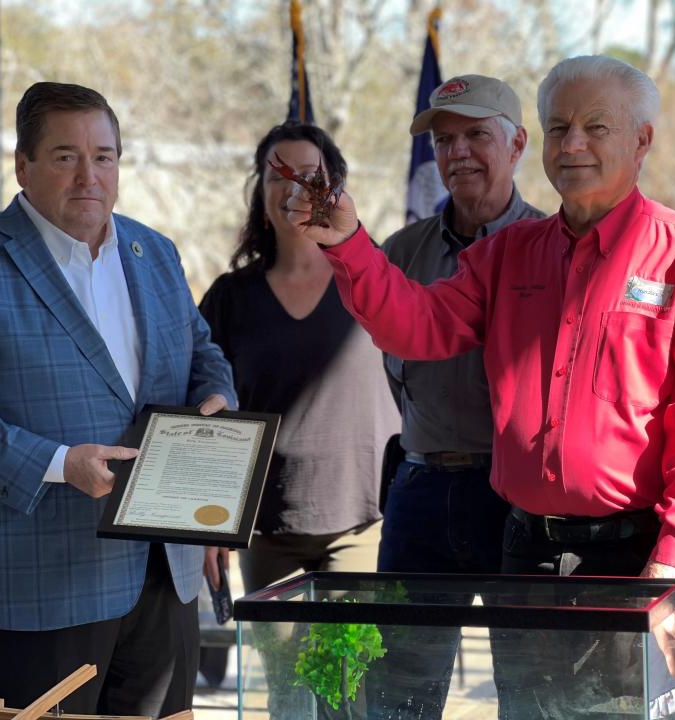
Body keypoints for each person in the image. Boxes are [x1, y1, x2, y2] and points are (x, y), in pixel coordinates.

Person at [287, 54, 675, 717]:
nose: (573, 144)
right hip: (525, 548)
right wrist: (350, 243)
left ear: (642, 140)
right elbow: (418, 327)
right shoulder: (509, 254)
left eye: (596, 127)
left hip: (636, 555)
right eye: (559, 128)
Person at [0, 82, 235, 716]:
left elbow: (202, 352)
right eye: (66, 156)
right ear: (23, 164)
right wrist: (56, 463)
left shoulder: (153, 251)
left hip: (166, 573)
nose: (88, 176)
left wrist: (216, 397)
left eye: (104, 156)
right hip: (43, 583)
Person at [198, 122, 399, 719]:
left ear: (332, 186)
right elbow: (208, 414)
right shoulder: (230, 297)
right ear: (258, 190)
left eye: (308, 175)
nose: (291, 187)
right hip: (266, 528)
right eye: (275, 173)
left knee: (347, 694)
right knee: (287, 697)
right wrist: (212, 526)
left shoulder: (371, 276)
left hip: (362, 525)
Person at [373, 73, 543, 717]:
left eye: (476, 135)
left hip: (515, 500)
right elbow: (393, 370)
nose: (458, 152)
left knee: (528, 686)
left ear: (518, 143)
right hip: (418, 492)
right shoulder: (399, 253)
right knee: (397, 691)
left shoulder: (553, 248)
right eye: (444, 140)